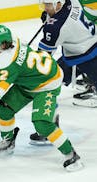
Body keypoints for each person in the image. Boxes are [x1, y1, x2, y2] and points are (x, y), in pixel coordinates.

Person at [0, 24, 83, 171]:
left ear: (2, 45)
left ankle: (71, 155)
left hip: (47, 84)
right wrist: (1, 78)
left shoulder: (5, 60)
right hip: (30, 81)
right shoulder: (15, 40)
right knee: (5, 109)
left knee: (42, 124)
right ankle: (8, 141)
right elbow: (17, 67)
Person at [30, 0, 97, 144]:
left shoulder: (56, 27)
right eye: (45, 4)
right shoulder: (73, 1)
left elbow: (44, 56)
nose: (46, 8)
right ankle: (50, 128)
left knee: (47, 82)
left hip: (87, 57)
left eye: (48, 5)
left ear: (58, 4)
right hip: (83, 49)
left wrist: (27, 65)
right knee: (50, 84)